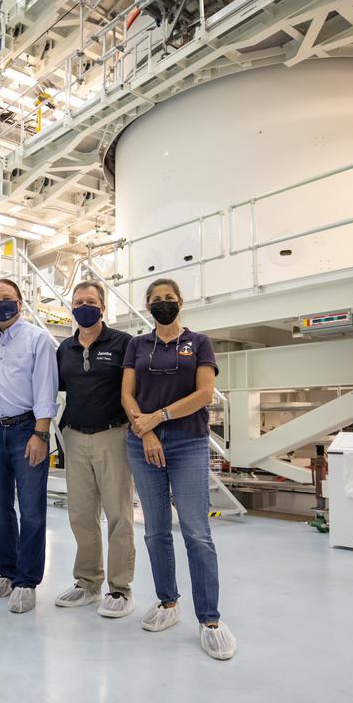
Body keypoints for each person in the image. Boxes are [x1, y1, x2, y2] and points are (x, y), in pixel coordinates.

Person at [120, 278, 236, 660]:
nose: (163, 304)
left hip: (188, 440)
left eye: (169, 299)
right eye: (156, 300)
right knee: (155, 531)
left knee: (196, 532)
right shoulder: (137, 344)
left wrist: (160, 417)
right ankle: (167, 602)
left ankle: (210, 620)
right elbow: (126, 395)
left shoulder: (199, 342)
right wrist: (146, 431)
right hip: (143, 443)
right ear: (147, 306)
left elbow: (204, 394)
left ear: (181, 303)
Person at [54, 280, 136, 618]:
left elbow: (135, 390)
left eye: (90, 301)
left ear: (102, 307)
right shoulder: (65, 348)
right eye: (77, 301)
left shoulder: (123, 343)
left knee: (118, 515)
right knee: (81, 515)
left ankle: (120, 588)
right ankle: (88, 582)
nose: (83, 306)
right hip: (74, 436)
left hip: (112, 435)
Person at [0, 278, 58, 614]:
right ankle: (7, 573)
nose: (2, 303)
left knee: (31, 510)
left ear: (20, 302)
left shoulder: (38, 339)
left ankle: (27, 581)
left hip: (27, 430)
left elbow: (45, 388)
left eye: (7, 298)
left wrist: (40, 434)